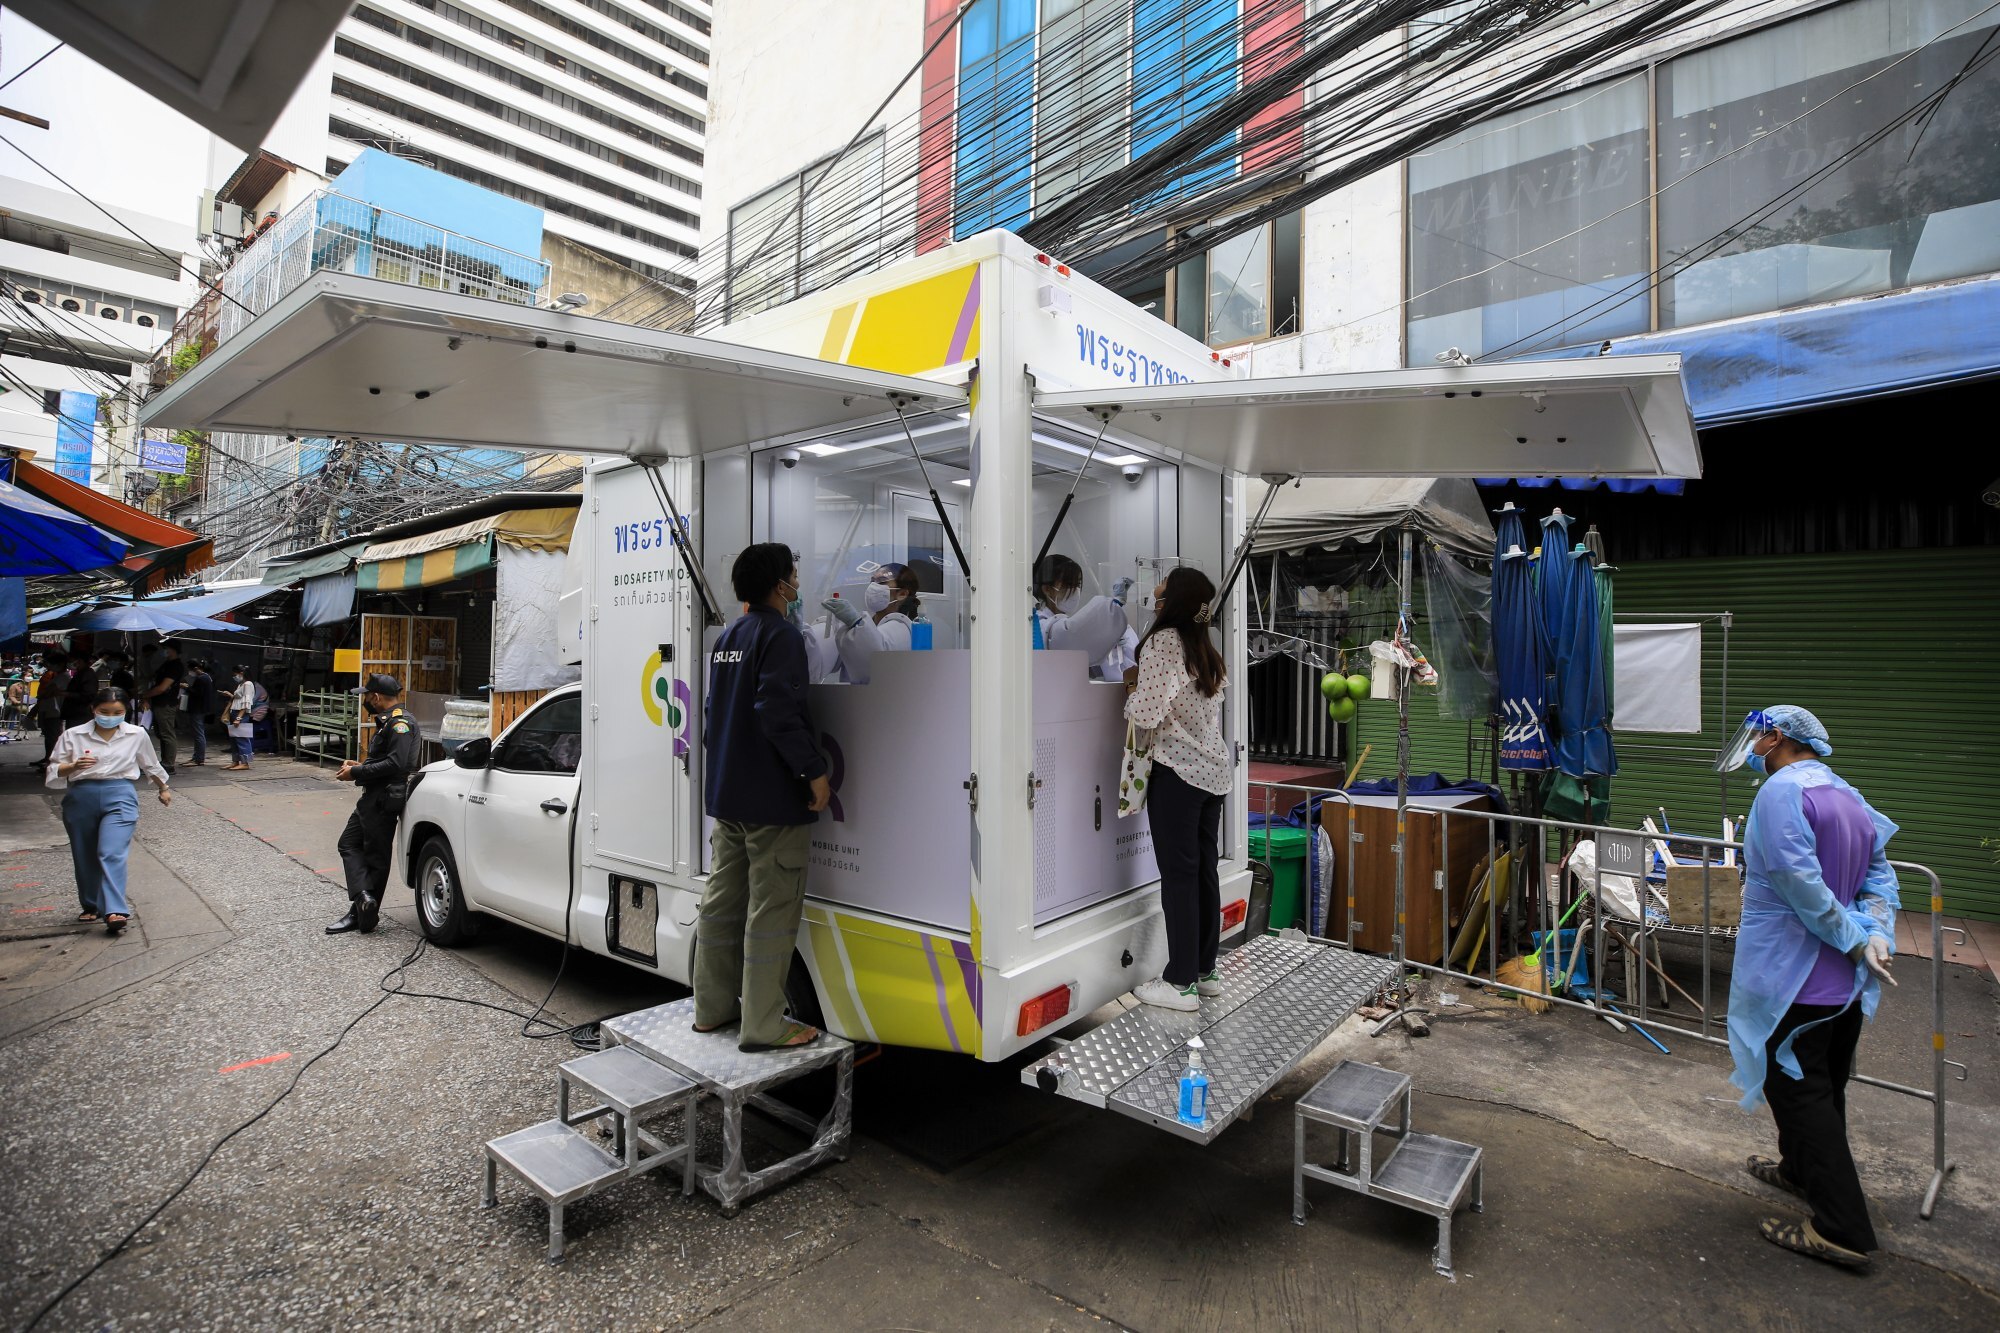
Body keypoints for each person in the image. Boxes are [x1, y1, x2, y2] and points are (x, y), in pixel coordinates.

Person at [1718, 705, 1899, 1270]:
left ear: (1776, 739)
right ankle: (1799, 1171)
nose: (1752, 748)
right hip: (1841, 983)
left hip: (1792, 976)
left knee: (1801, 1093)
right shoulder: (1844, 793)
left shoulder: (1779, 793)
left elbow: (1800, 881)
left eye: (1758, 738)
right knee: (1821, 1086)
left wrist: (1853, 937)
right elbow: (1879, 876)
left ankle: (1840, 1227)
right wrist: (1875, 934)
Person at [695, 542, 830, 1051]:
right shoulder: (781, 635)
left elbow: (712, 715)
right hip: (773, 801)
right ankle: (764, 1024)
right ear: (780, 586)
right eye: (794, 574)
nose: (798, 582)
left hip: (728, 795)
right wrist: (814, 772)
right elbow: (779, 712)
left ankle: (710, 1008)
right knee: (771, 911)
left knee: (723, 903)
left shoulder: (728, 635)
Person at [1124, 566, 1231, 1011]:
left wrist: (1128, 692)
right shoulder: (1201, 645)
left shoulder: (1162, 643)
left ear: (1178, 598)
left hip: (1178, 774)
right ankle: (1205, 971)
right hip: (1212, 773)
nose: (1157, 590)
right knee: (1204, 871)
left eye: (1165, 584)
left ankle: (1180, 981)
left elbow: (1145, 713)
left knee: (1179, 877)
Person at [45, 687, 171, 935]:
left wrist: (163, 788)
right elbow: (53, 769)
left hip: (121, 795)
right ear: (93, 709)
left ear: (126, 712)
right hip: (81, 795)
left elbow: (150, 764)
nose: (111, 716)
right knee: (85, 853)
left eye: (118, 712)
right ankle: (91, 903)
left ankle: (115, 909)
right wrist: (72, 766)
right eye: (104, 711)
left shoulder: (136, 734)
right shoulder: (73, 735)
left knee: (110, 851)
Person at [327, 673, 424, 935]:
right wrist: (360, 766)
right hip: (373, 795)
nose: (365, 700)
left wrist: (356, 774)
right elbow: (387, 761)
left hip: (384, 798)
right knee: (348, 843)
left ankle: (364, 914)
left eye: (367, 696)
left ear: (377, 697)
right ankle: (363, 900)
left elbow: (397, 764)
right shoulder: (389, 722)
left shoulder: (400, 724)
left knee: (375, 857)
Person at [1033, 554, 1136, 679]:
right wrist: (1113, 607)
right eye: (1068, 584)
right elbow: (1068, 635)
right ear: (1047, 589)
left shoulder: (1061, 623)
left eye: (1077, 584)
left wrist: (1113, 646)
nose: (1075, 590)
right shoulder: (1039, 624)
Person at [819, 562, 925, 683]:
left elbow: (873, 664)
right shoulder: (869, 625)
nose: (873, 587)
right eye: (872, 581)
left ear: (902, 594)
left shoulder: (902, 629)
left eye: (882, 581)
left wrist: (857, 624)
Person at [141, 641, 186, 774]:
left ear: (173, 649)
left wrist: (145, 695)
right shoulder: (166, 664)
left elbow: (162, 688)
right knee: (161, 733)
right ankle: (165, 760)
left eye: (165, 648)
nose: (163, 651)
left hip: (166, 703)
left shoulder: (175, 666)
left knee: (167, 733)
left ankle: (168, 764)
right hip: (159, 702)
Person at [30, 652, 70, 769]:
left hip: (55, 710)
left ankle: (52, 761)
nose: (48, 666)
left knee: (53, 736)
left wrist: (42, 696)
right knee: (49, 736)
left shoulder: (63, 677)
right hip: (48, 709)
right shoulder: (55, 675)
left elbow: (48, 693)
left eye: (50, 663)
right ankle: (48, 758)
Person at [221, 667, 263, 770]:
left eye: (235, 674)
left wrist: (239, 717)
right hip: (235, 712)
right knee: (234, 739)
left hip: (241, 714)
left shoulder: (248, 684)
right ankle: (235, 761)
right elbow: (239, 699)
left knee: (242, 738)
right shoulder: (241, 685)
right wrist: (231, 695)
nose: (234, 677)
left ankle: (245, 763)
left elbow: (246, 702)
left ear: (241, 673)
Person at [184, 659, 215, 765]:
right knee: (198, 733)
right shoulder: (206, 677)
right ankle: (196, 756)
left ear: (196, 668)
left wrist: (187, 687)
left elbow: (197, 693)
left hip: (197, 709)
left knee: (199, 734)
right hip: (201, 709)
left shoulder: (202, 678)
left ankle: (199, 758)